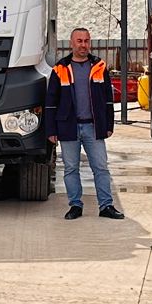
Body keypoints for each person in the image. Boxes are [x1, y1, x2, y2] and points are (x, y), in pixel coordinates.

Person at [46, 27, 123, 220]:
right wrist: (51, 130)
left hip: (93, 127)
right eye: (79, 41)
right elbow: (51, 102)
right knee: (71, 169)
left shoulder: (99, 67)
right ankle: (75, 206)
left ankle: (106, 206)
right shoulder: (60, 69)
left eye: (86, 41)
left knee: (101, 168)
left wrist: (109, 125)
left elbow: (108, 99)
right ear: (71, 43)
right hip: (68, 127)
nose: (83, 45)